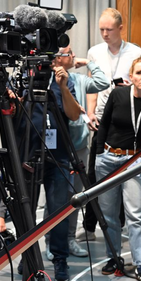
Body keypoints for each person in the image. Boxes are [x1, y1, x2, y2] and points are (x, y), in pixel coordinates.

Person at [94, 57, 141, 281]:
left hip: (134, 161)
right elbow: (104, 124)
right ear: (132, 76)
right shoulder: (117, 94)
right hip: (107, 159)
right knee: (109, 214)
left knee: (137, 215)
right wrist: (98, 155)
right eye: (139, 73)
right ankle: (113, 258)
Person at [14, 61, 82, 281]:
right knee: (27, 211)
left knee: (58, 213)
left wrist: (63, 88)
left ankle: (60, 259)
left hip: (58, 156)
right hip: (27, 155)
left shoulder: (62, 79)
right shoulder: (20, 78)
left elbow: (73, 115)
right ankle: (28, 257)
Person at [82, 8, 141, 239]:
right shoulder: (94, 52)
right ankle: (89, 227)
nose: (105, 34)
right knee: (92, 175)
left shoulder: (135, 52)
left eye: (109, 29)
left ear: (120, 28)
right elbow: (91, 85)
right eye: (101, 30)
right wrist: (90, 113)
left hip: (126, 120)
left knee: (121, 174)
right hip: (100, 120)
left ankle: (116, 227)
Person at [50, 46, 110, 256]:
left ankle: (69, 239)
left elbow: (103, 82)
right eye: (69, 53)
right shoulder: (46, 81)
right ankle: (52, 242)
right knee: (54, 198)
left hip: (78, 147)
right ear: (57, 58)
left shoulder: (78, 80)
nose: (74, 55)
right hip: (54, 149)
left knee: (76, 196)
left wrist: (88, 63)